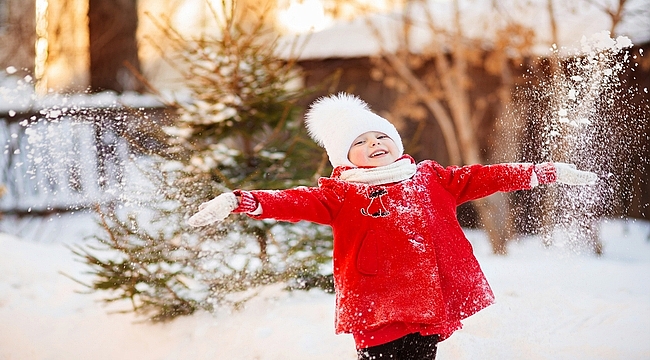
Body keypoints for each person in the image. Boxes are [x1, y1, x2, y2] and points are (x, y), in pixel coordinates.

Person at [187, 93, 598, 359]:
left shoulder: (432, 178)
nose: (374, 145)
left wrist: (542, 172)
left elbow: (486, 176)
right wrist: (239, 201)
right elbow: (291, 201)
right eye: (360, 143)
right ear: (344, 158)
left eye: (379, 137)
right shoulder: (339, 194)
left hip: (426, 299)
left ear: (395, 142)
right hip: (375, 305)